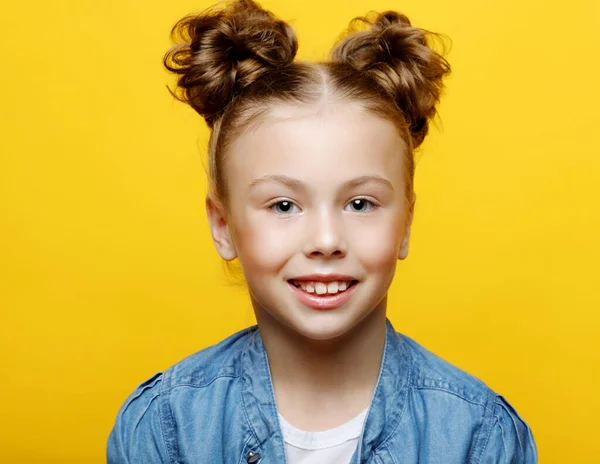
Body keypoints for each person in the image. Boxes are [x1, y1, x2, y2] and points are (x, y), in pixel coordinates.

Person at [107, 0, 538, 462]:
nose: (327, 241)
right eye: (285, 205)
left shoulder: (479, 435)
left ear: (406, 224)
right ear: (224, 225)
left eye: (359, 203)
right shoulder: (164, 425)